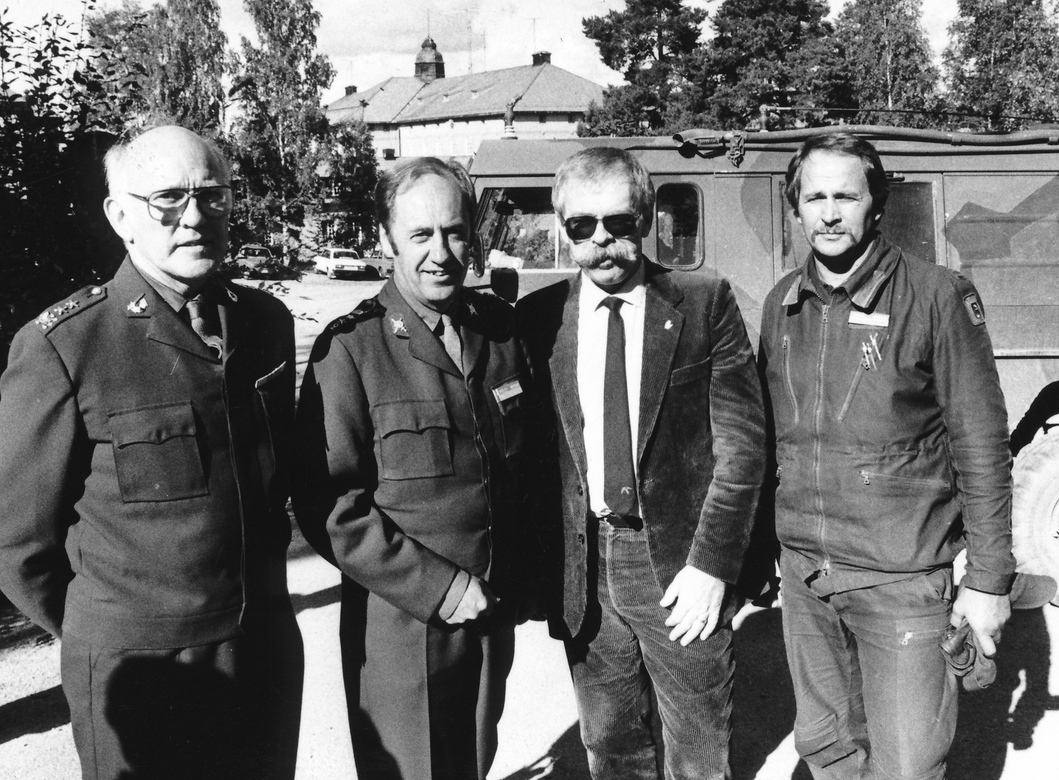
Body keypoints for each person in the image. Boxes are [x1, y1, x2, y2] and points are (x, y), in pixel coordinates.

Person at [0, 125, 303, 779]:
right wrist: (105, 630)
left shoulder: (264, 324)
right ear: (120, 216)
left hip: (263, 654)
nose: (194, 217)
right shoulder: (66, 346)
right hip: (145, 674)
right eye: (168, 198)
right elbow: (15, 540)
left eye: (212, 195)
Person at [758, 133, 1015, 780]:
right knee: (827, 749)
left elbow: (982, 445)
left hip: (901, 577)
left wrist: (988, 581)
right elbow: (769, 442)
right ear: (795, 207)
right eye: (814, 197)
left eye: (846, 196)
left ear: (877, 204)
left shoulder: (937, 296)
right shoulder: (782, 303)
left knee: (906, 765)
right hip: (807, 576)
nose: (829, 213)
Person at [519, 147, 765, 780]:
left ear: (648, 217)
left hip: (680, 564)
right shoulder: (539, 319)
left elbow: (743, 447)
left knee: (699, 751)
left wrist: (713, 565)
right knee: (610, 749)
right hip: (585, 566)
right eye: (582, 226)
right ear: (562, 226)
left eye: (619, 222)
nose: (601, 240)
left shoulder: (704, 302)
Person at [293, 157, 534, 780]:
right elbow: (330, 505)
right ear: (386, 239)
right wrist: (440, 588)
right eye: (421, 234)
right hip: (401, 621)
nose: (441, 253)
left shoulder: (498, 331)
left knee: (472, 762)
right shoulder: (351, 348)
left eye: (454, 232)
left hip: (490, 610)